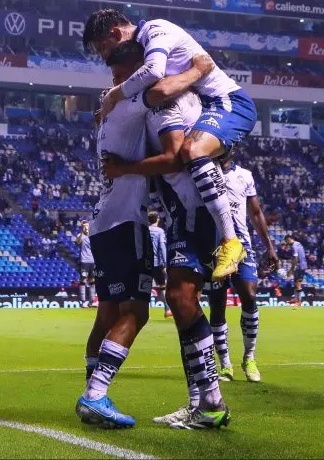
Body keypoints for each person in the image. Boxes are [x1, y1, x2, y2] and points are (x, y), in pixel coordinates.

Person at [98, 40, 230, 430]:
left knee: (180, 296)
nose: (118, 86)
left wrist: (124, 169)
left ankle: (209, 403)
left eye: (123, 77)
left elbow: (175, 156)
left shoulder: (162, 104)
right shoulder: (160, 103)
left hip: (193, 210)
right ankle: (203, 401)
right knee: (181, 300)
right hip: (184, 212)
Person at [84, 9, 258, 281]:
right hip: (204, 108)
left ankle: (231, 241)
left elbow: (156, 75)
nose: (104, 57)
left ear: (115, 34)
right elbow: (157, 86)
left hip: (227, 102)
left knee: (191, 151)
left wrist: (115, 96)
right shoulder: (141, 54)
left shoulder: (155, 30)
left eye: (103, 48)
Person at [75, 42, 157, 430]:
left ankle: (92, 390)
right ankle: (95, 395)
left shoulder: (108, 112)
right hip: (127, 220)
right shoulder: (127, 104)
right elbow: (160, 84)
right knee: (136, 312)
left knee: (106, 312)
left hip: (104, 222)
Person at [206, 152, 277, 383]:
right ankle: (225, 364)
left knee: (249, 295)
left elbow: (256, 213)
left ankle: (249, 357)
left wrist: (269, 247)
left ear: (232, 149)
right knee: (217, 304)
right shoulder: (204, 171)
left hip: (241, 244)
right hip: (213, 245)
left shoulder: (244, 176)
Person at [147, 211, 169, 318]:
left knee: (145, 288)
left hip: (146, 263)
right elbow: (162, 247)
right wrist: (165, 263)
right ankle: (167, 309)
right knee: (162, 287)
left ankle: (143, 312)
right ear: (158, 219)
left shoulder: (145, 230)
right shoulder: (160, 231)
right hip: (157, 263)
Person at [74, 221, 95, 305]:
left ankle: (92, 301)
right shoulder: (80, 236)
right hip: (84, 261)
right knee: (83, 279)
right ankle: (82, 301)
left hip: (93, 261)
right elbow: (77, 243)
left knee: (92, 281)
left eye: (87, 226)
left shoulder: (93, 235)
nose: (86, 227)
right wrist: (82, 232)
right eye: (84, 226)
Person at [285, 235, 307, 304]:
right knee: (296, 282)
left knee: (298, 283)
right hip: (302, 265)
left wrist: (291, 269)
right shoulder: (298, 244)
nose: (287, 243)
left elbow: (296, 258)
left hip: (300, 266)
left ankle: (299, 301)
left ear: (289, 239)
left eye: (286, 241)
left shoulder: (294, 246)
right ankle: (296, 299)